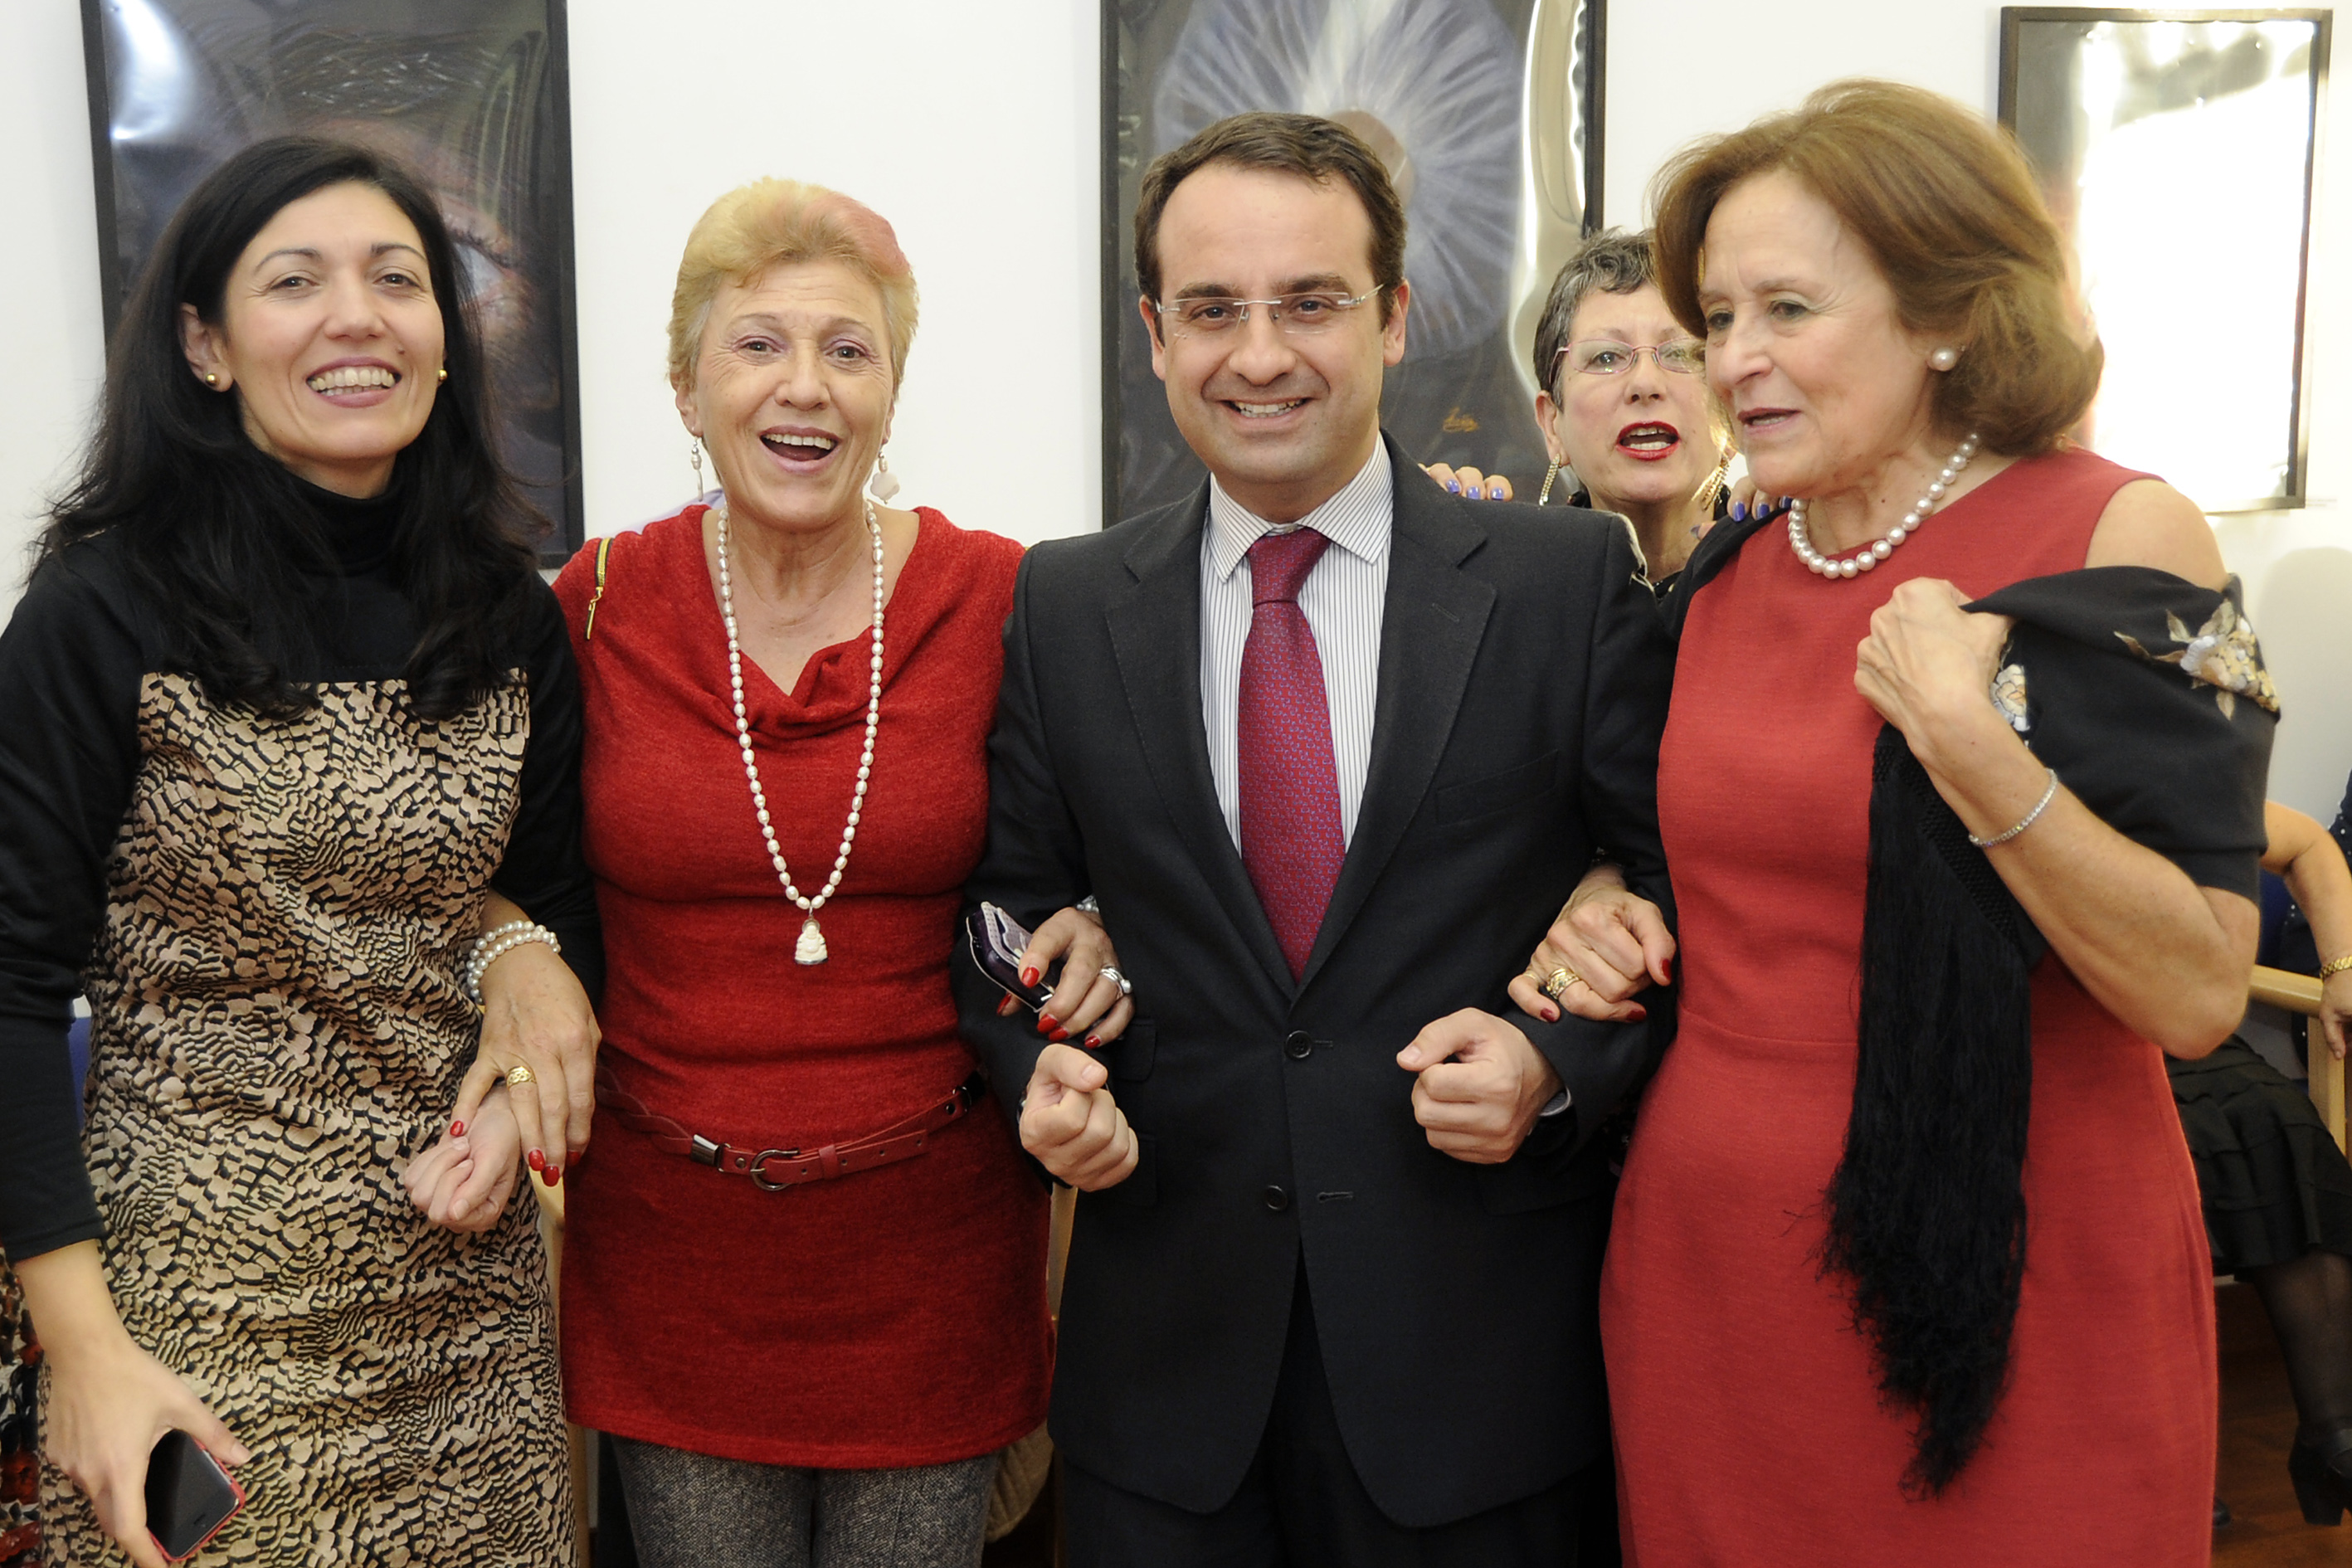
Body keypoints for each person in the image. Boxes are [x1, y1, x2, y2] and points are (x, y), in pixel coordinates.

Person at [1539, 80, 2272, 1564]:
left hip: (2019, 1267)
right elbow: (1695, 858)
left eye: (1785, 309)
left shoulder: (2116, 532)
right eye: (1717, 317)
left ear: (1945, 311)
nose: (1730, 360)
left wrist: (1968, 743)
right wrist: (1600, 892)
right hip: (1714, 1275)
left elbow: (2198, 987)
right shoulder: (1726, 580)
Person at [952, 111, 1674, 1566]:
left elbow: (1674, 883)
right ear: (1156, 334)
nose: (1261, 354)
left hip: (1474, 1376)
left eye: (1310, 302)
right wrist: (1041, 1066)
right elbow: (1004, 905)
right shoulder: (1066, 602)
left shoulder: (1563, 583)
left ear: (1393, 316)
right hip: (1167, 1390)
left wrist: (1550, 1063)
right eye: (1213, 309)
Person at [0, 136, 601, 1567]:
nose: (355, 317)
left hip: (467, 1311)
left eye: (397, 279)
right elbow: (7, 987)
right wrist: (79, 1346)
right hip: (186, 1309)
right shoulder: (101, 607)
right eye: (294, 281)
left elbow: (558, 907)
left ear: (444, 338)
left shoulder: (508, 612)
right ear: (204, 346)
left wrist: (514, 1102)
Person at [548, 178, 1126, 1568]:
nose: (803, 386)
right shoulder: (595, 604)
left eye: (848, 349)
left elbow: (1111, 835)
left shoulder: (1004, 598)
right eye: (757, 344)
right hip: (674, 1253)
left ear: (889, 393)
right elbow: (500, 866)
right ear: (686, 389)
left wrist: (1095, 922)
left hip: (933, 1256)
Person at [2181, 794, 2352, 1527]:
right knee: (2144, 1163)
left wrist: (2342, 968)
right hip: (2037, 1038)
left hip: (2168, 1029)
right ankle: (2165, 1460)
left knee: (2274, 1122)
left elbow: (2308, 844)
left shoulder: (2147, 765)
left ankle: (2332, 1434)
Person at [1425, 228, 1734, 584]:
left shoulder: (1780, 568)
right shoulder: (1513, 582)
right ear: (1552, 425)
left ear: (1730, 407)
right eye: (1606, 357)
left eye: (1679, 353)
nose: (1645, 384)